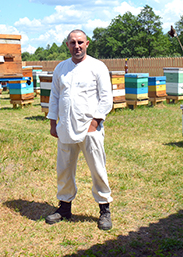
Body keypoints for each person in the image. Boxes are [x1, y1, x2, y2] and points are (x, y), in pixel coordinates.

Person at [46, 29, 114, 230]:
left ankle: (104, 209)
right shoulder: (61, 68)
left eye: (80, 42)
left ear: (87, 44)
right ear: (67, 45)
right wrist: (52, 122)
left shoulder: (97, 67)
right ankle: (64, 208)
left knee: (97, 169)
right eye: (73, 42)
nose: (77, 46)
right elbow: (55, 97)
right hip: (65, 127)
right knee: (64, 169)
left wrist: (95, 122)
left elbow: (106, 97)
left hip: (90, 128)